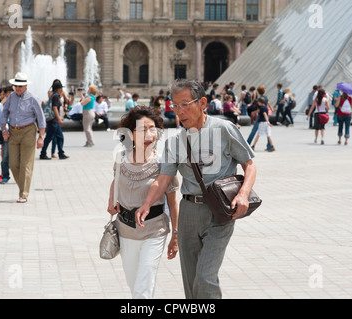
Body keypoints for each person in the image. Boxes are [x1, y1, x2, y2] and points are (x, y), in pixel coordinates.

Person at [135, 79, 257, 299]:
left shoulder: (224, 129)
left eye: (185, 104)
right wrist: (145, 204)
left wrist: (244, 194)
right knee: (191, 281)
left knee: (205, 277)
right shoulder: (174, 143)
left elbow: (249, 165)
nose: (179, 111)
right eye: (174, 105)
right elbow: (163, 180)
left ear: (202, 103)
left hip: (220, 211)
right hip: (188, 212)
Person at [107, 106, 179, 299]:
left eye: (152, 129)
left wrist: (176, 235)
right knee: (134, 284)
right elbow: (116, 179)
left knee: (143, 286)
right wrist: (111, 200)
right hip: (126, 231)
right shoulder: (121, 159)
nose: (149, 135)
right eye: (142, 129)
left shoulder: (164, 164)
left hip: (154, 232)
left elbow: (172, 203)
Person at [2, 73, 46, 204]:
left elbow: (41, 118)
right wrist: (4, 129)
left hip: (28, 131)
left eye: (20, 86)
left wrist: (41, 137)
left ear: (26, 85)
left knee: (26, 164)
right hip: (13, 132)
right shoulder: (11, 97)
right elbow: (4, 112)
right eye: (16, 86)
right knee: (13, 164)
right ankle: (23, 185)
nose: (18, 88)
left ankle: (23, 194)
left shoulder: (33, 98)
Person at [40, 81, 69, 160]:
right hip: (53, 121)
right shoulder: (55, 96)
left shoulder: (53, 95)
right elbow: (54, 108)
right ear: (59, 88)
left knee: (59, 137)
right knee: (49, 138)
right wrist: (59, 119)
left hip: (53, 121)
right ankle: (43, 154)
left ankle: (61, 153)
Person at [0, 86, 14, 184]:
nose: (7, 95)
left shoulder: (16, 103)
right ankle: (5, 175)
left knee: (14, 156)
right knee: (5, 156)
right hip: (5, 132)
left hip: (15, 132)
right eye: (6, 93)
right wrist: (3, 101)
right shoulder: (1, 104)